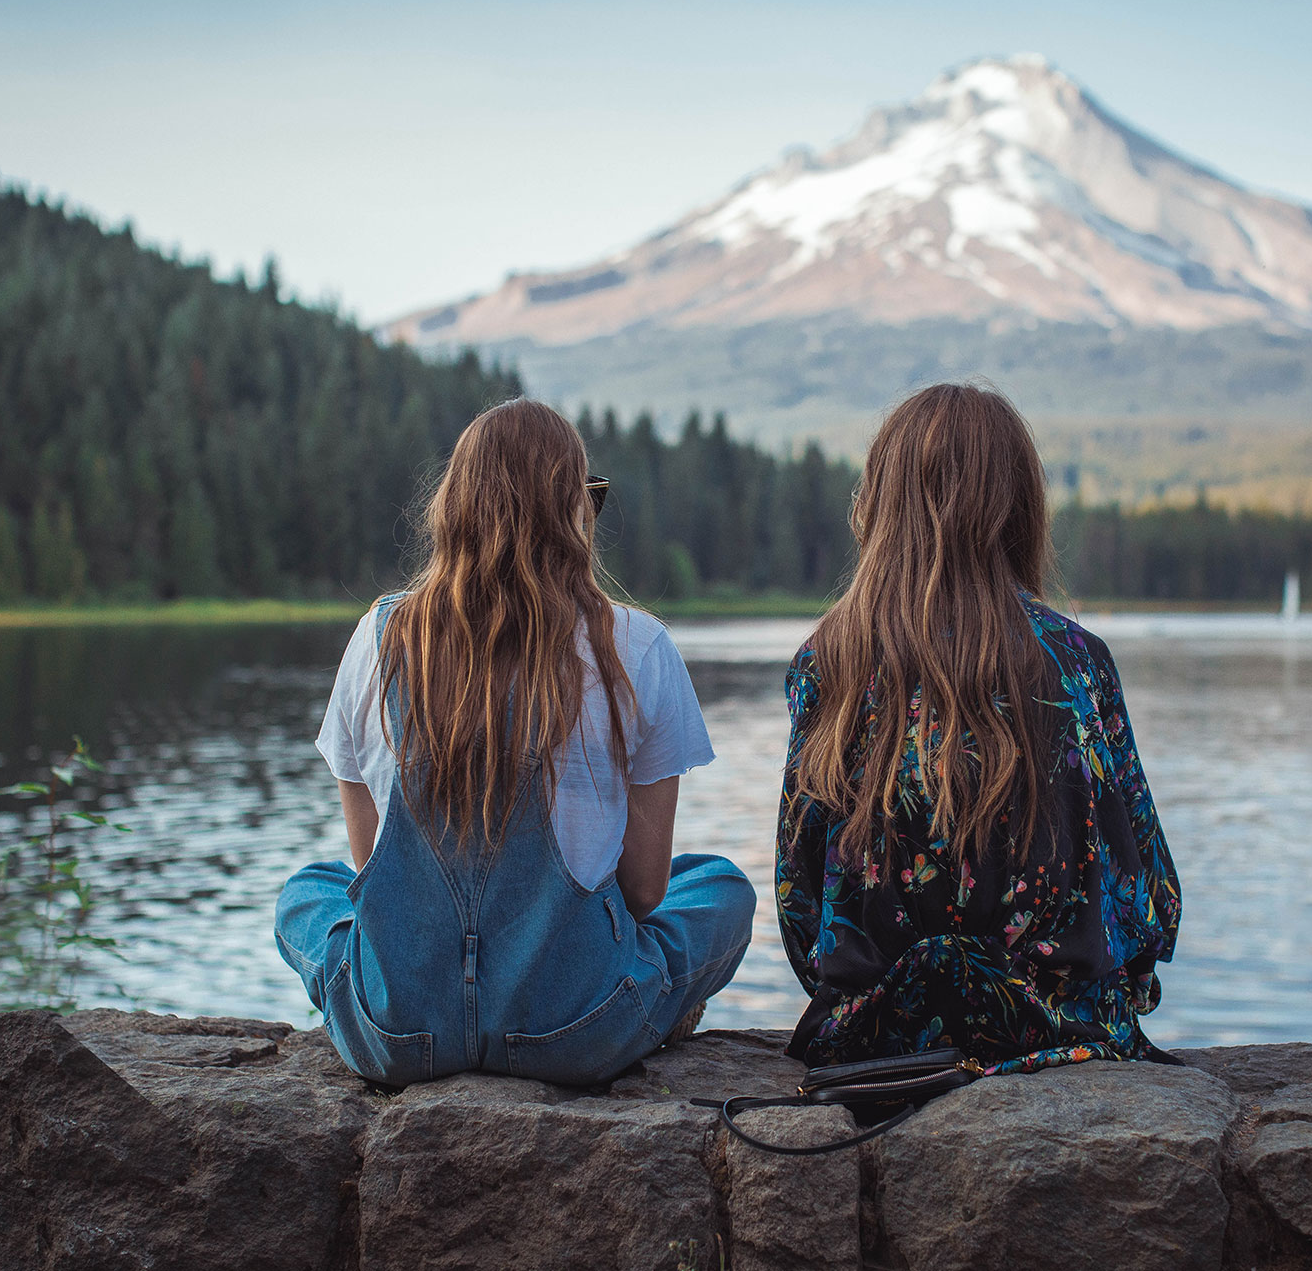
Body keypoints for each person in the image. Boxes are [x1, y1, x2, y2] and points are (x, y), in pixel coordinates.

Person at [275, 399, 754, 1086]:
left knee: (308, 891)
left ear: (455, 509)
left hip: (401, 1034)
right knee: (719, 886)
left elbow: (370, 873)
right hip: (574, 1032)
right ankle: (654, 999)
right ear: (573, 514)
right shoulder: (637, 646)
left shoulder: (380, 638)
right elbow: (646, 891)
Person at [775, 383, 1181, 1073]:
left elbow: (800, 901)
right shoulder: (1076, 661)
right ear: (1019, 511)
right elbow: (1150, 899)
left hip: (877, 1033)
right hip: (1055, 1028)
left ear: (880, 506)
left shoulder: (827, 661)